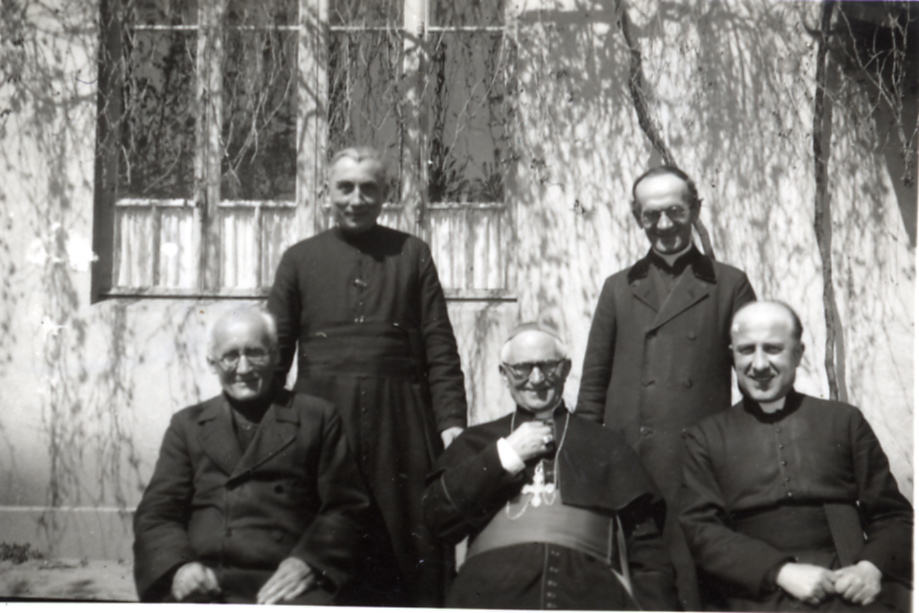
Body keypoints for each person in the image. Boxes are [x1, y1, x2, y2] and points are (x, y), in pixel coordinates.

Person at [266, 146, 467, 606]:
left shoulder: (411, 254)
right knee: (323, 540)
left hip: (401, 423)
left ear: (384, 195)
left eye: (369, 188)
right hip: (321, 417)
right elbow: (275, 353)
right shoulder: (299, 259)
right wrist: (267, 427)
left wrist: (451, 420)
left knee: (408, 545)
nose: (356, 199)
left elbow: (439, 344)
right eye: (345, 188)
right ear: (325, 194)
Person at [577, 165, 756, 608]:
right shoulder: (617, 288)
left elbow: (755, 376)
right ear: (637, 217)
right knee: (638, 578)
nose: (663, 226)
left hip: (697, 463)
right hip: (630, 462)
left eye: (675, 212)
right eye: (650, 215)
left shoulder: (729, 284)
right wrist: (582, 458)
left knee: (695, 580)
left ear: (695, 210)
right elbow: (593, 384)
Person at [423, 323, 678, 610]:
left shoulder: (607, 445)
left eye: (548, 366)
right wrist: (504, 456)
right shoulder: (476, 442)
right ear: (503, 374)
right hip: (490, 594)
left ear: (566, 369)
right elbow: (435, 517)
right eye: (521, 368)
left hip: (585, 594)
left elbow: (647, 554)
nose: (536, 378)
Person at [680, 301, 913, 611]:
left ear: (799, 353)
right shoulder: (705, 437)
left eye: (773, 348)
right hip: (752, 592)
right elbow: (701, 531)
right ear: (732, 355)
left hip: (846, 583)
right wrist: (780, 571)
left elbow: (893, 516)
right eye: (746, 350)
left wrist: (870, 568)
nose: (759, 365)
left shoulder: (843, 421)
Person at [133, 307, 369, 604]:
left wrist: (310, 562)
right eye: (230, 356)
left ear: (276, 356)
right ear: (213, 363)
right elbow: (157, 512)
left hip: (287, 584)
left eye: (255, 353)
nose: (243, 368)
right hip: (206, 580)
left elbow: (346, 507)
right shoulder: (187, 425)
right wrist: (179, 567)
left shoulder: (317, 418)